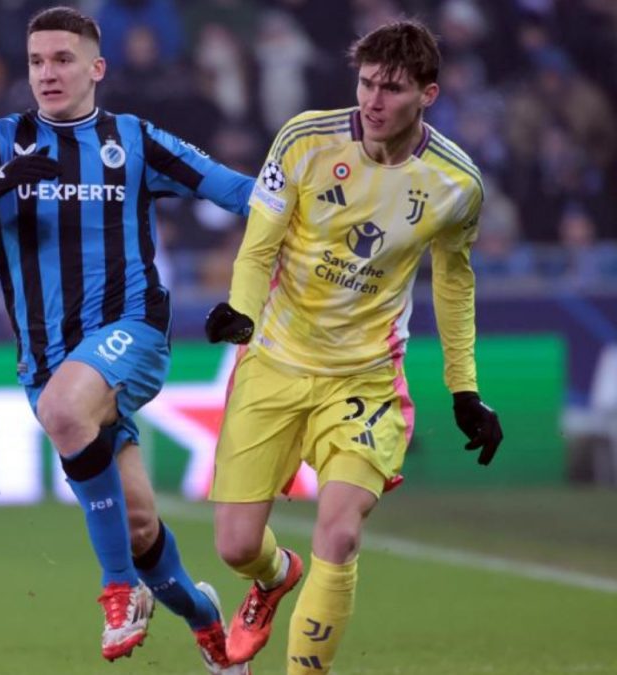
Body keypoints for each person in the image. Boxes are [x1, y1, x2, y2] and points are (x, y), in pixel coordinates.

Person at [0, 7, 253, 674]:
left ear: (96, 68)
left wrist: (321, 208)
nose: (48, 73)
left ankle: (118, 590)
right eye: (37, 62)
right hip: (48, 360)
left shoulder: (133, 139)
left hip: (130, 330)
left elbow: (234, 190)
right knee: (138, 529)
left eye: (63, 59)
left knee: (65, 410)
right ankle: (205, 618)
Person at [203, 19, 504, 674]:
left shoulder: (457, 185)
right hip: (276, 361)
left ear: (427, 93)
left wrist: (465, 387)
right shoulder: (305, 139)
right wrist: (242, 312)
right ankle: (275, 575)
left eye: (391, 88)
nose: (372, 100)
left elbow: (455, 285)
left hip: (363, 380)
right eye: (366, 83)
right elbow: (259, 244)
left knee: (339, 531)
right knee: (235, 546)